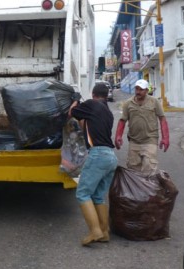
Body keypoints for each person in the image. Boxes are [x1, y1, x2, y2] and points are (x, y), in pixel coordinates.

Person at [68, 83, 118, 246]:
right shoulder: (107, 112)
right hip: (111, 156)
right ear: (106, 95)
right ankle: (104, 232)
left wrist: (75, 100)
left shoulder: (91, 104)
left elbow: (72, 113)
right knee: (97, 196)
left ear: (93, 94)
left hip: (98, 155)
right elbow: (86, 125)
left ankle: (94, 231)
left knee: (82, 193)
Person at [114, 79, 169, 174]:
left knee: (149, 170)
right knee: (133, 171)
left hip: (150, 140)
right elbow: (122, 120)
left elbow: (162, 119)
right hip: (134, 141)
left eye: (141, 89)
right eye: (137, 89)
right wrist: (118, 136)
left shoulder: (154, 102)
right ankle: (137, 189)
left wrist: (165, 138)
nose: (138, 92)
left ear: (147, 91)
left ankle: (148, 189)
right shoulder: (128, 103)